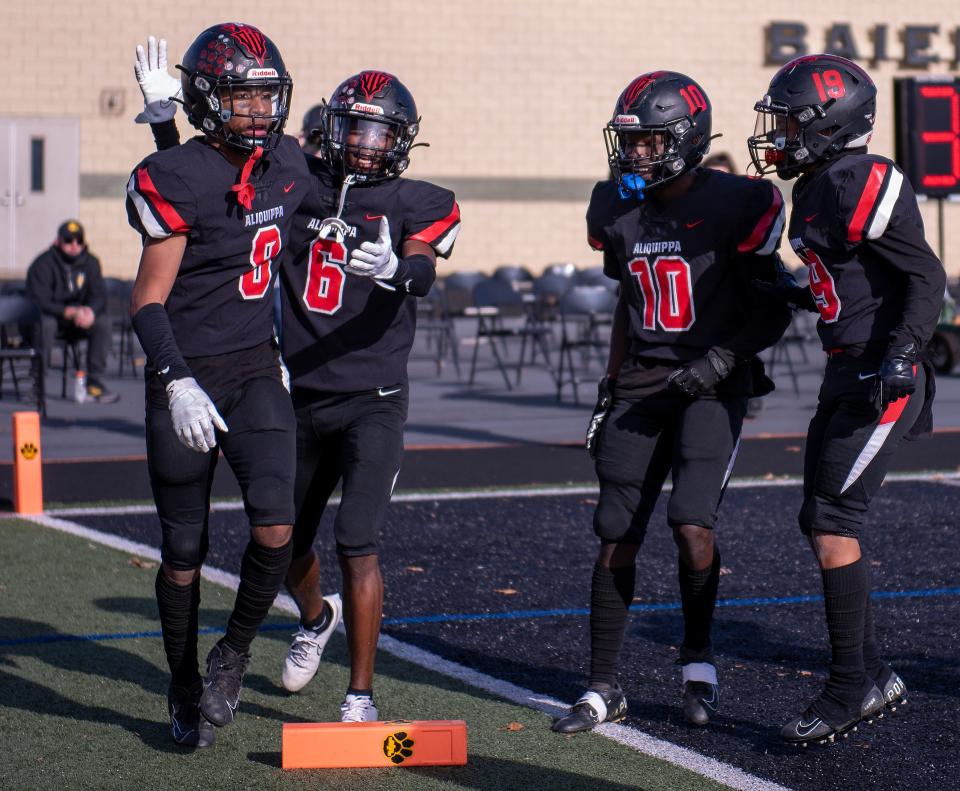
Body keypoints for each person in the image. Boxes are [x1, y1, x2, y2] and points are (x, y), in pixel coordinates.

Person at [137, 62, 461, 722]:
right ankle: (286, 632)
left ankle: (347, 690)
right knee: (239, 544)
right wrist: (167, 130)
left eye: (380, 133)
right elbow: (215, 198)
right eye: (355, 130)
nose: (366, 145)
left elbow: (426, 265)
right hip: (289, 386)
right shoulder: (299, 178)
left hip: (355, 390)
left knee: (341, 536)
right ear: (330, 130)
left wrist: (401, 270)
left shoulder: (413, 200)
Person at [552, 71, 791, 733]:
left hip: (713, 383)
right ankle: (602, 685)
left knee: (691, 523)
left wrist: (717, 360)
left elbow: (772, 311)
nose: (635, 154)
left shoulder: (740, 203)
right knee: (614, 532)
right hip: (641, 382)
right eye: (629, 141)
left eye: (650, 140)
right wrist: (609, 383)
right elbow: (630, 301)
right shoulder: (616, 207)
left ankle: (698, 660)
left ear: (685, 139)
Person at [747, 54, 945, 746]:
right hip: (847, 366)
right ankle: (870, 673)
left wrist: (902, 353)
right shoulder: (819, 185)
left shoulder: (860, 177)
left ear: (830, 121)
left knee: (833, 518)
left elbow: (926, 275)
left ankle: (850, 685)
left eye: (793, 120)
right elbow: (851, 285)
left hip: (878, 371)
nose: (780, 133)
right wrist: (791, 288)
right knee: (819, 517)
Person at [126, 23, 309, 748]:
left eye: (267, 95)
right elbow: (145, 300)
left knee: (277, 524)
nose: (260, 111)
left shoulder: (288, 160)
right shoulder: (172, 176)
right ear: (209, 100)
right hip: (185, 372)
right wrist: (175, 381)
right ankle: (180, 681)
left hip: (253, 366)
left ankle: (232, 653)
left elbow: (232, 207)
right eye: (242, 97)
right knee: (182, 552)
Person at [25, 220, 118, 403]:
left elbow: (99, 295)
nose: (74, 245)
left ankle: (94, 383)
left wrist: (90, 311)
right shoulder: (43, 263)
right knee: (47, 324)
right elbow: (38, 300)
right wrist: (66, 311)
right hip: (51, 317)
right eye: (68, 240)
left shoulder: (91, 262)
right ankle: (38, 384)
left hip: (78, 320)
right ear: (58, 241)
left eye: (79, 240)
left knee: (103, 322)